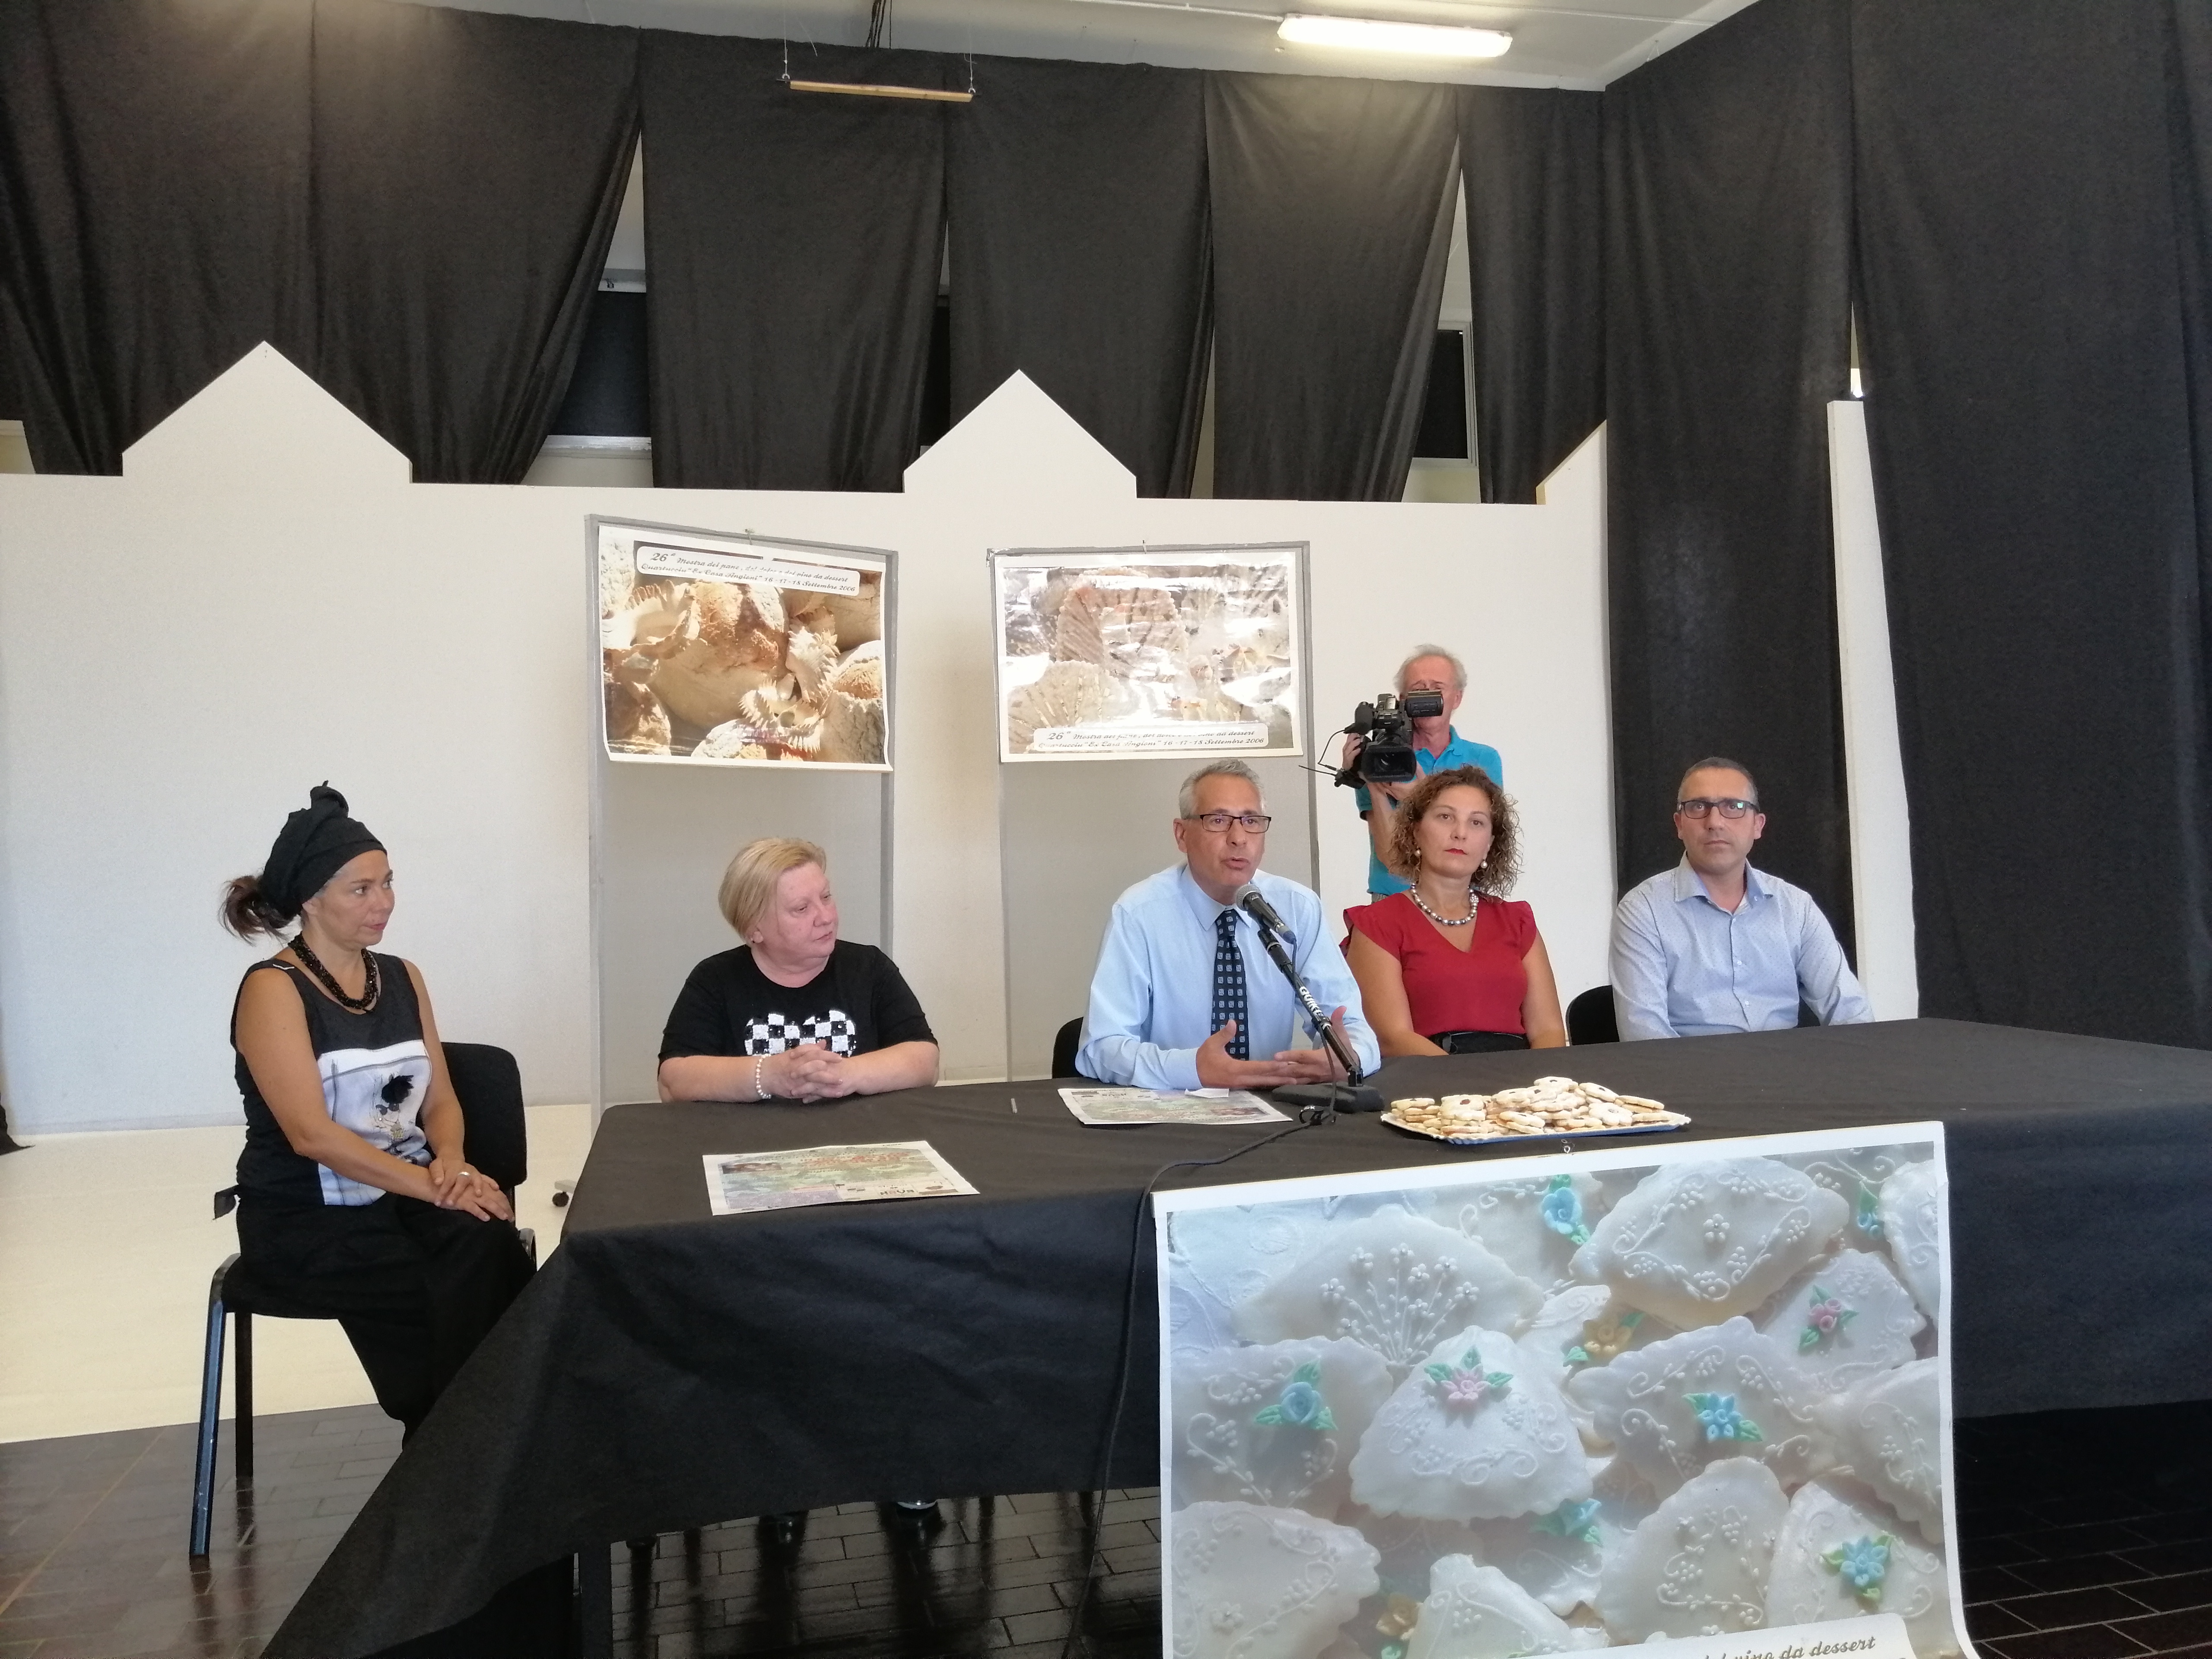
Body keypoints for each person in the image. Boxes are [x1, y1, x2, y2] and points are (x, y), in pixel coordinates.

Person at [224, 784, 533, 1438]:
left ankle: (468, 1441)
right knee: (447, 1278)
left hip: (401, 1193)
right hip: (305, 1216)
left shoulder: (402, 976)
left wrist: (453, 1165)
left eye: (388, 882)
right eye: (361, 889)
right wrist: (434, 1188)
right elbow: (311, 1136)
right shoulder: (274, 991)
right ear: (311, 899)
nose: (383, 902)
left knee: (488, 1243)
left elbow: (440, 1099)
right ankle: (456, 1442)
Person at [1078, 759, 1380, 1088]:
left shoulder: (1296, 908)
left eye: (1251, 821)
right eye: (1218, 820)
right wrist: (1191, 1069)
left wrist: (1348, 1058)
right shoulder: (1139, 913)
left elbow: (1352, 1026)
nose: (1238, 838)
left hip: (1273, 1103)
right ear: (1182, 835)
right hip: (1173, 1105)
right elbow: (1101, 1048)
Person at [1611, 757, 1873, 1040]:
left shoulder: (1796, 908)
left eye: (1734, 807)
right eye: (1698, 807)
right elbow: (1645, 1037)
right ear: (1679, 824)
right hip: (1690, 1066)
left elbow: (1851, 1013)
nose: (1715, 823)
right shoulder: (1643, 911)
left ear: (1758, 825)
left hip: (1786, 1064)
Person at [659, 838, 938, 1102]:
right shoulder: (715, 979)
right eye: (802, 908)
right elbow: (673, 1082)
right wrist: (769, 1076)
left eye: (826, 897)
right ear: (754, 929)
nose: (826, 917)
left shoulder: (869, 967)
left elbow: (926, 1061)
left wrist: (844, 1074)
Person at [1344, 766, 1566, 1055]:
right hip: (1428, 1077)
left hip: (1520, 1075)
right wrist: (1472, 1079)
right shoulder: (1377, 923)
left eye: (1477, 823)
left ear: (1489, 844)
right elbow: (1393, 1038)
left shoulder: (1518, 920)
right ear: (1415, 831)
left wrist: (1537, 1080)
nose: (1460, 833)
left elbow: (1549, 1030)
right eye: (1445, 817)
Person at [1351, 646, 1505, 899]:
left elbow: (1486, 845)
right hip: (1395, 898)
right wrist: (1371, 779)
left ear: (1457, 698)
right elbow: (1391, 858)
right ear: (1403, 700)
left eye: (1437, 687)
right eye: (1419, 689)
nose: (1427, 697)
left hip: (1463, 899)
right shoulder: (1381, 757)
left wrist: (1419, 797)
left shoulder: (1484, 759)